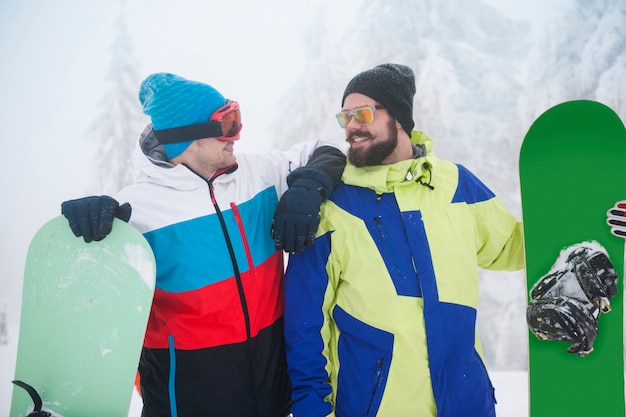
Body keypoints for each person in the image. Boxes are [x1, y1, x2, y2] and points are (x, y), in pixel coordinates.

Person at [60, 73, 345, 417]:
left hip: (274, 402)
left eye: (235, 119)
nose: (236, 135)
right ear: (186, 138)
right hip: (189, 406)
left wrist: (306, 188)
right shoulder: (138, 213)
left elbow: (326, 151)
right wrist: (90, 235)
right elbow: (93, 308)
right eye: (226, 124)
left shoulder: (259, 175)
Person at [283, 63, 525, 417]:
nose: (352, 125)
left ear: (398, 117)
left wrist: (590, 224)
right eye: (346, 116)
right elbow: (304, 327)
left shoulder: (455, 184)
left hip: (466, 404)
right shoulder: (332, 208)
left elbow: (511, 247)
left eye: (363, 113)